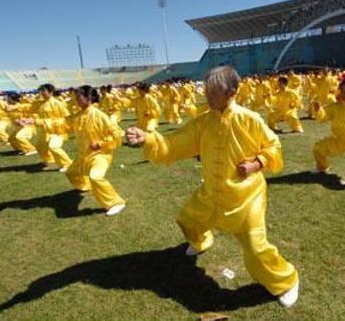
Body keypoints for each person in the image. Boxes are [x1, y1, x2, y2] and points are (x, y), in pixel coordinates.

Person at [126, 65, 300, 307]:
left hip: (246, 198)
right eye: (206, 91)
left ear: (231, 93)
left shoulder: (250, 120)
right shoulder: (203, 122)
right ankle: (201, 242)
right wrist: (149, 138)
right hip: (211, 193)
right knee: (187, 219)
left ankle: (287, 281)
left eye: (213, 92)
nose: (206, 96)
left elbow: (274, 147)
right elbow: (175, 143)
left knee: (255, 250)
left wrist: (257, 163)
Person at [64, 86, 126, 216]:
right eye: (76, 98)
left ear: (89, 98)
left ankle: (116, 203)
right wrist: (34, 121)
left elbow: (117, 134)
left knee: (95, 176)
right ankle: (86, 186)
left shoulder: (99, 115)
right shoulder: (78, 116)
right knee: (70, 172)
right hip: (83, 156)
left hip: (100, 155)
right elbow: (61, 123)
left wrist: (101, 144)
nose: (76, 101)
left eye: (79, 97)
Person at [19, 84, 72, 171]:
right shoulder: (40, 103)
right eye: (41, 91)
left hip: (57, 130)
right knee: (40, 146)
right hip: (45, 131)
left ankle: (67, 164)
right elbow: (29, 107)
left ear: (51, 92)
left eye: (43, 91)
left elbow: (67, 117)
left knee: (53, 146)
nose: (41, 93)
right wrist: (18, 111)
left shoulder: (58, 104)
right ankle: (49, 161)